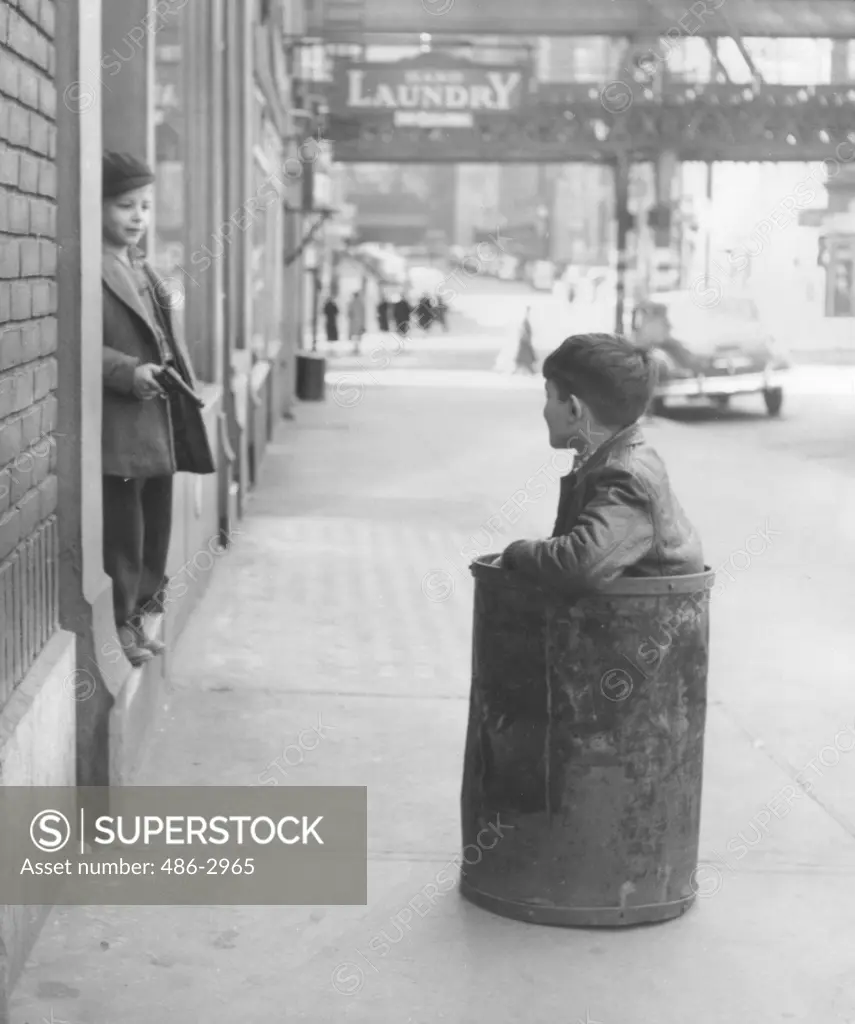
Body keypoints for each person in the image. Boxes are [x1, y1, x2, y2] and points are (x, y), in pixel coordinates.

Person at [101, 151, 215, 667]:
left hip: (161, 419)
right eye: (125, 205)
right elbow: (77, 345)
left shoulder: (141, 266)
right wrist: (127, 372)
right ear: (97, 206)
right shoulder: (90, 268)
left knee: (155, 520)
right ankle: (122, 623)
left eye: (145, 206)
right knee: (124, 528)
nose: (137, 217)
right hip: (122, 424)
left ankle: (144, 614)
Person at [500, 333, 703, 594]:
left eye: (548, 397)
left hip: (642, 630)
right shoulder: (612, 460)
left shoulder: (627, 476)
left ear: (574, 409)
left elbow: (579, 564)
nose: (545, 410)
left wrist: (515, 554)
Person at [515, 306, 537, 374]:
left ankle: (515, 372)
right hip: (525, 343)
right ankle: (532, 372)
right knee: (525, 360)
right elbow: (523, 330)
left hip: (525, 343)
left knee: (524, 360)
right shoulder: (525, 321)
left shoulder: (526, 321)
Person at [347, 290, 366, 354]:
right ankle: (357, 347)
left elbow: (349, 313)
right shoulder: (361, 303)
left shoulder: (352, 303)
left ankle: (355, 347)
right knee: (358, 335)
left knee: (354, 335)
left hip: (353, 322)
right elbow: (363, 314)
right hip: (359, 322)